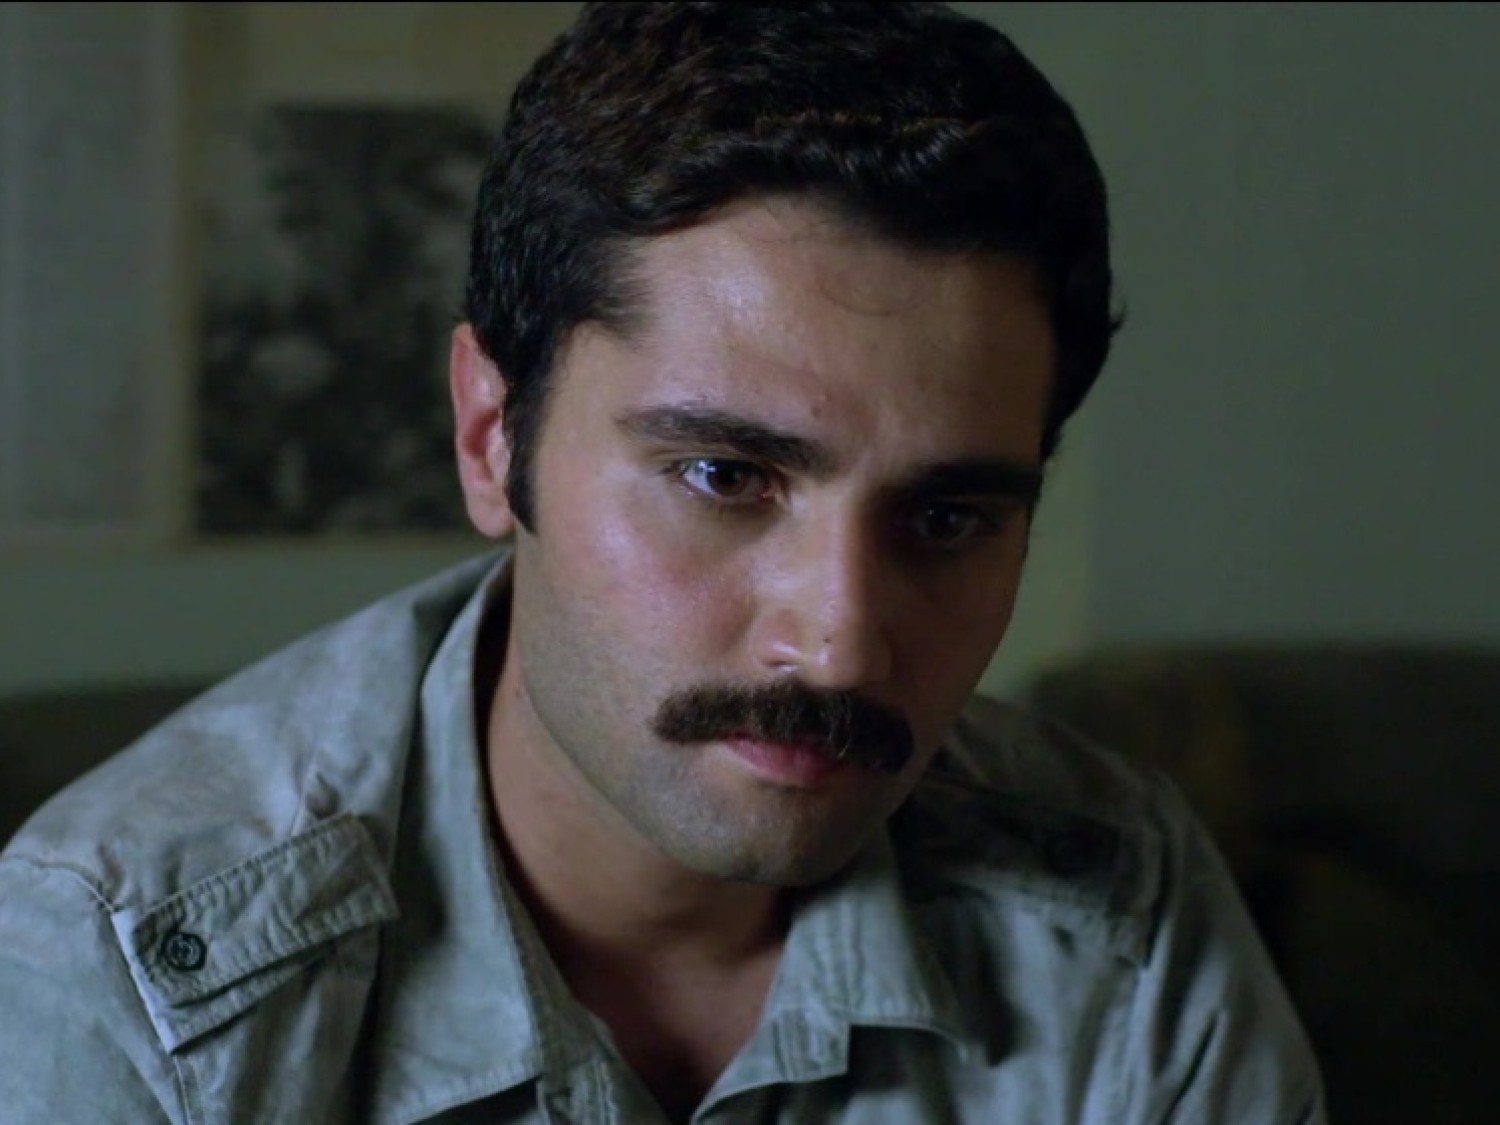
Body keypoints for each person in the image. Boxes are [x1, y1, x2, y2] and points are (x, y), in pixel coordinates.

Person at [0, 3, 1326, 1122]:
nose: (839, 645)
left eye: (947, 518)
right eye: (723, 477)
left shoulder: (1120, 923)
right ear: (491, 437)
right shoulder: (117, 972)